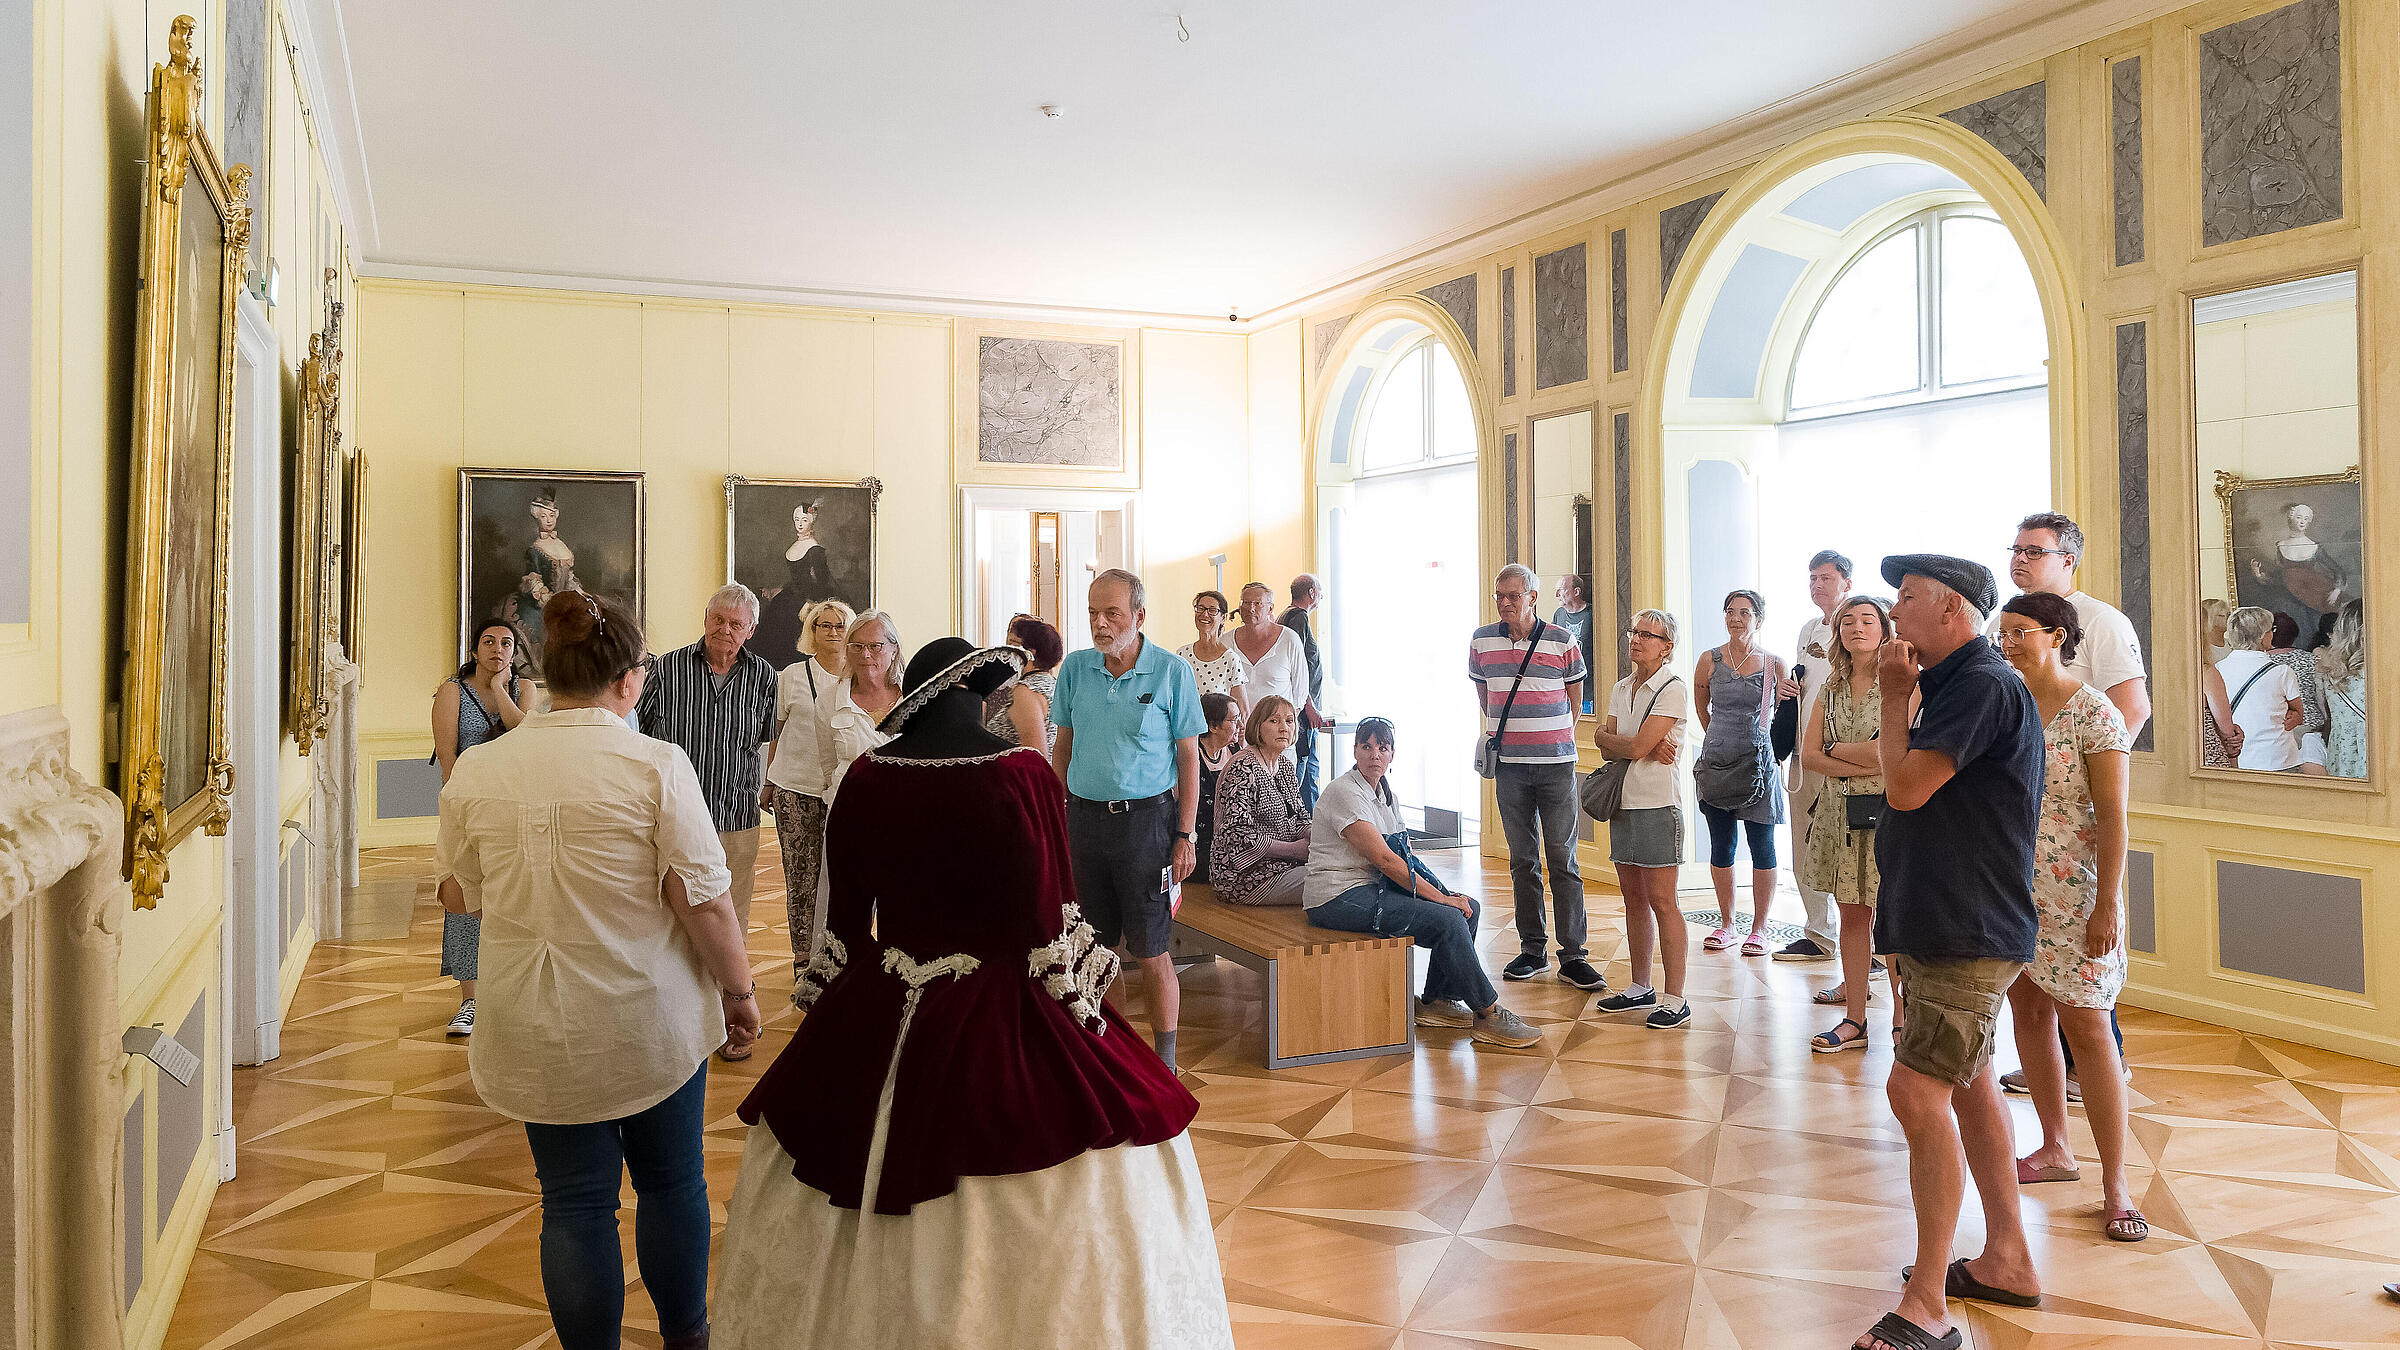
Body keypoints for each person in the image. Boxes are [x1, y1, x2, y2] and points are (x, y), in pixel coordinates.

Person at [713, 638, 1232, 1349]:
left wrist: (843, 1009)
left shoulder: (866, 774)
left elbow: (840, 927)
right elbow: (1051, 919)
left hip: (887, 988)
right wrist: (1079, 1006)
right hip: (1006, 1000)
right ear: (975, 695)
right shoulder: (1022, 775)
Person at [437, 590, 759, 1350]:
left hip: (534, 1021)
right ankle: (686, 1338)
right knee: (672, 1182)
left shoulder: (481, 770)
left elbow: (458, 894)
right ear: (629, 679)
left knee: (575, 1204)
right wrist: (740, 993)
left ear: (548, 672)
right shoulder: (654, 765)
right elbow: (705, 903)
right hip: (649, 1021)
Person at [1850, 555, 2046, 1350]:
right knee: (1964, 1088)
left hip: (1966, 925)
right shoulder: (1963, 680)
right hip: (1947, 918)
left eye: (1906, 601)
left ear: (1954, 612)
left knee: (1915, 1093)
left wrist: (1896, 698)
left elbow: (1904, 787)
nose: (1895, 615)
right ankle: (2006, 1259)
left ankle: (1927, 1306)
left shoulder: (1982, 684)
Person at [1993, 594, 2143, 1244]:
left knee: (2087, 1028)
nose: (2008, 644)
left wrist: (2107, 902)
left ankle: (2117, 1183)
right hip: (2011, 890)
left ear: (2057, 636)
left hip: (2078, 896)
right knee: (2027, 1013)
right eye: (2002, 633)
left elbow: (2113, 818)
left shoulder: (2094, 712)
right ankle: (2055, 1146)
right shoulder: (2005, 707)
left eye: (2020, 633)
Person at [1306, 717, 1540, 1048]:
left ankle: (1439, 1002)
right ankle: (1488, 1013)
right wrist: (1442, 902)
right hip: (1333, 897)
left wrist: (1446, 893)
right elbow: (1386, 861)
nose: (1375, 754)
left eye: (1382, 748)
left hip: (1370, 889)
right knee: (1447, 917)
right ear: (1355, 751)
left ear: (1392, 756)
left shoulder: (1386, 795)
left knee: (1467, 906)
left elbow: (1406, 857)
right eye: (1367, 747)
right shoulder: (1345, 792)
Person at [1052, 570, 1206, 1072]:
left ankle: (1165, 1062)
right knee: (1095, 948)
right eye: (1092, 612)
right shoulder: (1075, 670)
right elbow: (1063, 748)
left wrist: (1184, 835)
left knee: (1151, 947)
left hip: (1147, 825)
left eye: (1111, 613)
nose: (1099, 622)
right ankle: (1109, 1052)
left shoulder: (1171, 671)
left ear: (1139, 616)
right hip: (1084, 823)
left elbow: (1189, 761)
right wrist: (1054, 818)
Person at [637, 585, 780, 1060]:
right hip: (670, 814)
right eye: (718, 619)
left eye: (735, 624)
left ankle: (727, 1012)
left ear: (751, 631)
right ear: (705, 618)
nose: (724, 630)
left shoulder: (763, 676)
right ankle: (674, 1011)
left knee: (731, 917)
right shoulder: (666, 669)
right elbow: (634, 728)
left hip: (735, 814)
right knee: (668, 913)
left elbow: (762, 738)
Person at [1471, 564, 1599, 990]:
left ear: (1533, 597)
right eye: (1499, 596)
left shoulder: (1563, 640)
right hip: (1509, 766)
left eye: (1513, 596)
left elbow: (1575, 701)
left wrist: (1548, 734)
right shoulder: (1481, 641)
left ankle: (1574, 955)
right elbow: (1484, 694)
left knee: (1563, 860)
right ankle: (1532, 950)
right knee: (1522, 860)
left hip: (1557, 765)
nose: (1505, 603)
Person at [1801, 596, 1900, 1053]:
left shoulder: (1901, 686)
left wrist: (1841, 750)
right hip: (1839, 813)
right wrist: (1864, 761)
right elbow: (1809, 755)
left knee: (1895, 919)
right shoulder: (1831, 687)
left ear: (1884, 628)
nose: (1857, 628)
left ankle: (1903, 1017)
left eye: (1867, 620)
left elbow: (1893, 753)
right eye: (1848, 621)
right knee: (1853, 916)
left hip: (1892, 813)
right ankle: (1855, 1020)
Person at [1590, 609, 1695, 1029]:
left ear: (1666, 647)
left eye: (1647, 635)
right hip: (1623, 803)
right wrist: (1627, 743)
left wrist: (1626, 743)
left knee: (1663, 901)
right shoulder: (1620, 688)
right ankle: (1640, 986)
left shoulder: (1672, 688)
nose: (1636, 639)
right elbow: (1609, 744)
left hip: (1656, 805)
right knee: (1633, 899)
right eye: (1634, 631)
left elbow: (1629, 747)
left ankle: (1675, 997)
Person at [430, 619, 526, 1036]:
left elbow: (524, 737)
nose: (497, 649)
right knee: (465, 896)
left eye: (506, 643)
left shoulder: (523, 690)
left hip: (514, 810)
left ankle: (507, 993)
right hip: (468, 810)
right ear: (474, 650)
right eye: (488, 642)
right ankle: (470, 999)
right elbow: (447, 758)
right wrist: (461, 811)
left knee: (511, 897)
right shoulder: (452, 691)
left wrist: (501, 689)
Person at [762, 600, 857, 987]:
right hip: (794, 788)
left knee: (844, 876)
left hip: (844, 792)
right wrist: (768, 780)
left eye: (839, 625)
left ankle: (838, 952)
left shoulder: (859, 679)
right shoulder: (791, 676)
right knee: (801, 876)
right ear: (811, 632)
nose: (832, 632)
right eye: (824, 625)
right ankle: (803, 957)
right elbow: (777, 732)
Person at [1691, 589, 1788, 957]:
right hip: (1716, 763)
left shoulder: (1773, 664)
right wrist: (1718, 735)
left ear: (1758, 619)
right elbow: (1703, 707)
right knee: (1722, 844)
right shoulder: (1709, 660)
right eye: (1730, 611)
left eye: (1744, 612)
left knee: (1762, 846)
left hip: (1759, 764)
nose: (1735, 618)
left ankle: (1760, 928)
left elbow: (1784, 714)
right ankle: (1727, 923)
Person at [1775, 550, 1851, 963]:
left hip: (1842, 755)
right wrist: (1790, 689)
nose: (1817, 585)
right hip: (1804, 753)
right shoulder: (1807, 630)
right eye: (1812, 578)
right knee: (1804, 843)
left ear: (1846, 584)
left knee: (1848, 847)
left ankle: (1867, 943)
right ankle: (1818, 933)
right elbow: (1808, 681)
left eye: (1825, 577)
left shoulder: (1860, 625)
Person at [1209, 696, 1310, 906]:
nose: (1284, 728)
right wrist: (1294, 850)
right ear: (1258, 726)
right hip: (1244, 876)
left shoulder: (1285, 766)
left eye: (1289, 721)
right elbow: (1237, 835)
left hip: (1284, 865)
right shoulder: (1242, 767)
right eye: (1274, 721)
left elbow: (1299, 817)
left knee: (1341, 869)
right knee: (1331, 881)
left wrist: (1318, 837)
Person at [747, 498, 841, 670]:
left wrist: (810, 603)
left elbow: (821, 581)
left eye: (804, 520)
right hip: (791, 596)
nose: (800, 524)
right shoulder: (797, 544)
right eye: (797, 520)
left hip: (805, 601)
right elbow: (798, 578)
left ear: (812, 523)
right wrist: (779, 589)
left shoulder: (815, 550)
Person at [2238, 500, 2349, 642]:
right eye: (2299, 517)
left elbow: (2338, 572)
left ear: (2309, 522)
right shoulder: (2281, 546)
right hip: (2290, 597)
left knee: (2314, 631)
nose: (2302, 521)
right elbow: (2280, 578)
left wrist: (2336, 590)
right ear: (2291, 519)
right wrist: (2259, 575)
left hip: (2315, 595)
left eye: (2306, 518)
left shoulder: (2314, 547)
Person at [2212, 606, 2306, 772]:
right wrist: (2294, 716)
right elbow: (2298, 715)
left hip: (2237, 758)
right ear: (2262, 637)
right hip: (2278, 758)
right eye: (2271, 630)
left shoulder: (2217, 670)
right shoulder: (2281, 672)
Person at [507, 487, 580, 675]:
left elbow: (568, 577)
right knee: (542, 631)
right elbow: (534, 580)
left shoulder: (560, 545)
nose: (549, 520)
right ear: (536, 518)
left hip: (560, 599)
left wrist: (577, 593)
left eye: (551, 516)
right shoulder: (535, 549)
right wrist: (549, 600)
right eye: (543, 517)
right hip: (536, 603)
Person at [1230, 581, 1309, 741]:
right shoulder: (1226, 642)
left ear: (1270, 608)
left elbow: (1300, 693)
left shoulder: (1289, 640)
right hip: (1238, 739)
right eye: (1245, 603)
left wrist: (1284, 728)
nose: (1250, 608)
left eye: (1257, 603)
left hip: (1278, 740)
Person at [1279, 575, 1331, 810]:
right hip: (1303, 713)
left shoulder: (1286, 616)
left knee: (1309, 768)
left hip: (1302, 710)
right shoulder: (1298, 618)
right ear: (1311, 593)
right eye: (1319, 591)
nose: (1321, 596)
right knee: (1305, 770)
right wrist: (1309, 707)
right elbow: (1297, 667)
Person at [986, 613, 1064, 753]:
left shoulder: (1026, 691)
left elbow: (1035, 755)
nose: (1008, 652)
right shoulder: (1055, 686)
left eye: (1014, 646)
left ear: (1030, 653)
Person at [2268, 611, 2333, 775]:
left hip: (2278, 731)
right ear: (2294, 635)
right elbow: (2321, 696)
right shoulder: (2311, 659)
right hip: (2312, 729)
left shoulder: (2261, 663)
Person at [1191, 693, 1241, 886]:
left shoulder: (1236, 752)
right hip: (1201, 849)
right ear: (1213, 726)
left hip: (1231, 843)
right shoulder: (1190, 757)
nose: (1240, 725)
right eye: (1234, 720)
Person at [1176, 589, 1253, 711]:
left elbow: (1242, 711)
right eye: (1200, 608)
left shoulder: (1231, 659)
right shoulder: (1182, 654)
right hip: (1188, 728)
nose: (1205, 614)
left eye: (1212, 610)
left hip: (1218, 729)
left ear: (1223, 617)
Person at [2318, 599, 2367, 779]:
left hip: (2343, 753)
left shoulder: (2330, 670)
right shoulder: (2379, 670)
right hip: (2377, 752)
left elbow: (2325, 714)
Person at [1551, 572, 1595, 715]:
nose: (1557, 594)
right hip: (1562, 689)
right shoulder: (1559, 614)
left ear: (1576, 591)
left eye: (1561, 589)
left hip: (1588, 690)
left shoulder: (1592, 613)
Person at [2202, 596, 2233, 667]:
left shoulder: (2232, 644)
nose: (2229, 618)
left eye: (2229, 615)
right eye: (2223, 615)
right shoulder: (2203, 649)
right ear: (2210, 618)